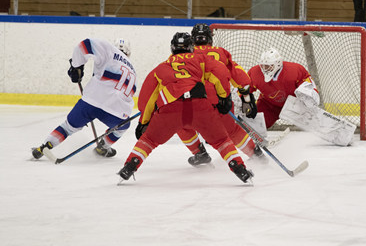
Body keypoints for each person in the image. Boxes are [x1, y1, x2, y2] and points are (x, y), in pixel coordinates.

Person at [118, 32, 254, 184]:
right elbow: (221, 72)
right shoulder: (201, 59)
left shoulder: (163, 66)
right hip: (200, 107)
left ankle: (130, 165)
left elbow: (147, 97)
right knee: (222, 141)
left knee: (148, 140)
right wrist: (224, 97)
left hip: (171, 109)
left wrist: (144, 121)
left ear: (172, 48)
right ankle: (239, 168)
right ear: (191, 47)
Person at [32, 38, 137, 159]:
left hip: (91, 101)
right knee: (123, 126)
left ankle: (44, 146)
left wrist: (76, 67)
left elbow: (84, 45)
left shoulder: (109, 49)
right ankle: (103, 147)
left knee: (68, 127)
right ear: (129, 53)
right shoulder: (133, 71)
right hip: (116, 111)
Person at [177, 23, 265, 167]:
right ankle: (255, 154)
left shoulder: (182, 55)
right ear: (210, 39)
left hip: (194, 104)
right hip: (221, 102)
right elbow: (241, 78)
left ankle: (200, 154)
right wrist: (247, 98)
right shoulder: (221, 53)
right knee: (232, 130)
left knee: (181, 124)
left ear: (192, 39)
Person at [247, 48, 355, 146]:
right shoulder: (255, 73)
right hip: (269, 104)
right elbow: (244, 90)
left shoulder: (294, 70)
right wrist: (242, 102)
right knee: (253, 124)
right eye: (262, 65)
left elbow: (308, 84)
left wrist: (308, 95)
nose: (264, 69)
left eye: (268, 66)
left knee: (317, 122)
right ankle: (252, 143)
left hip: (294, 105)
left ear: (278, 64)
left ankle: (344, 135)